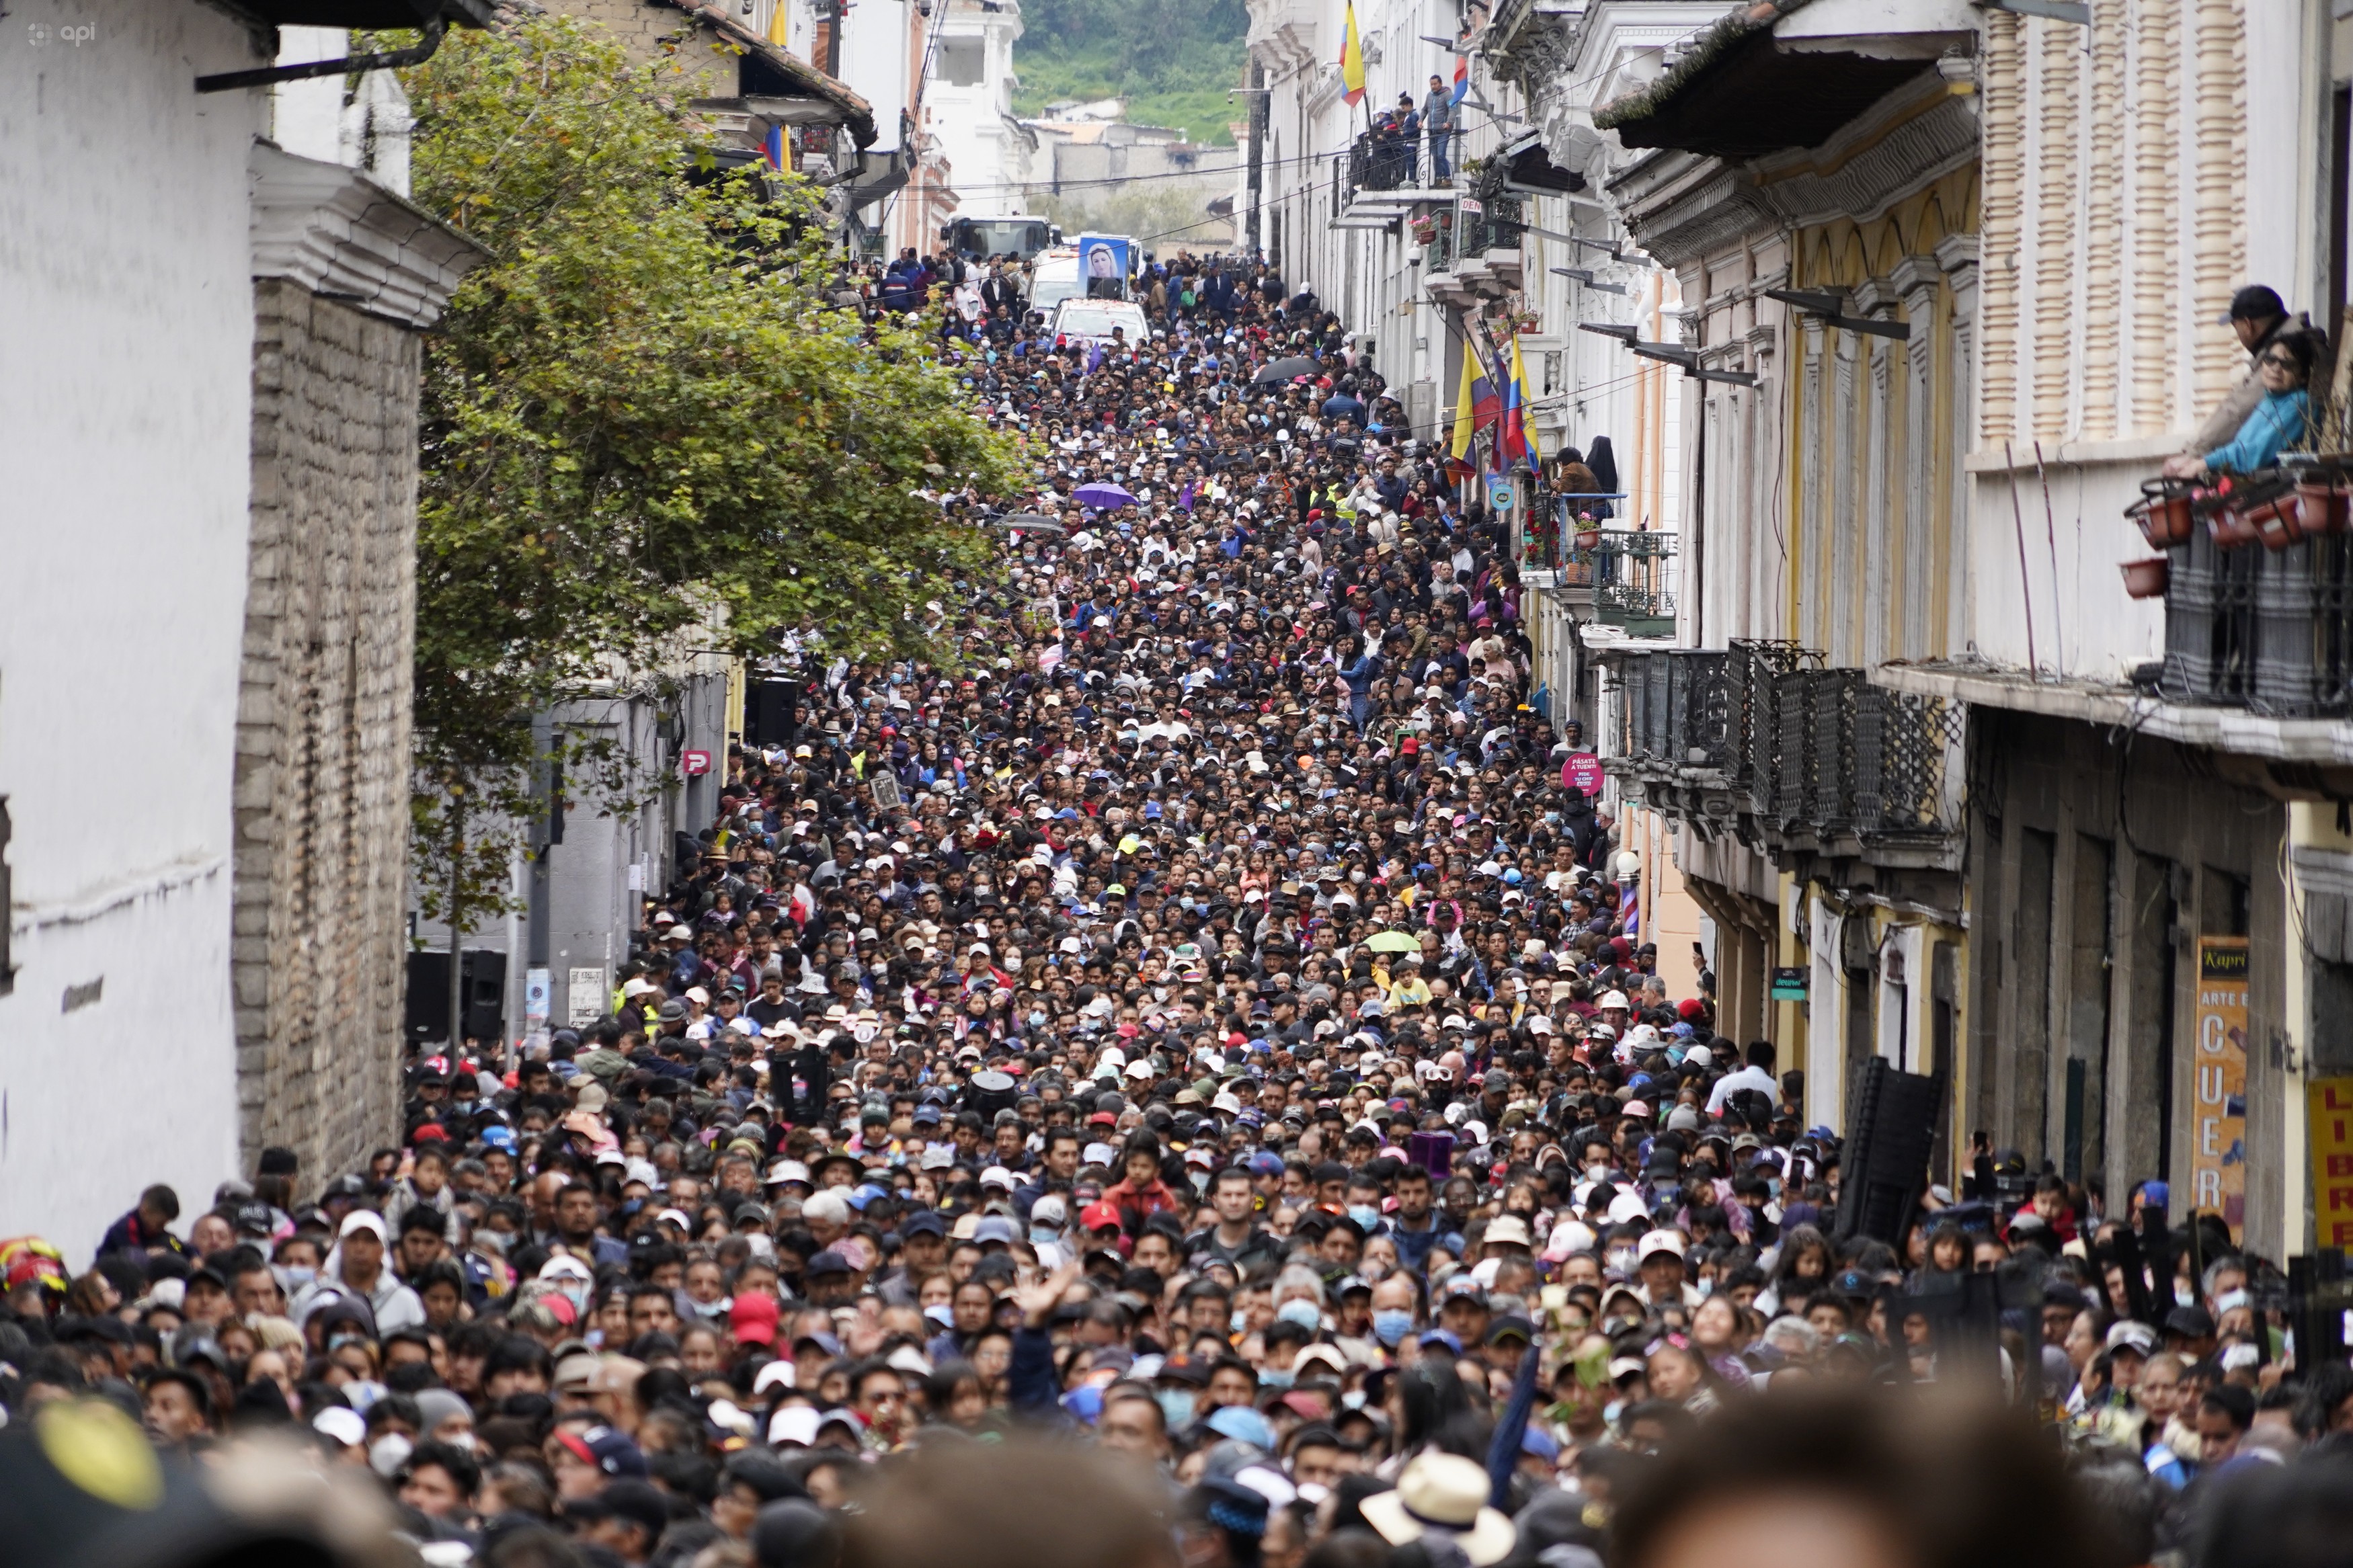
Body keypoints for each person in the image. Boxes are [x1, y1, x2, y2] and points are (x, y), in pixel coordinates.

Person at [1423, 74, 1455, 182]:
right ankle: (1437, 178)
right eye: (1431, 84)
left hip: (1443, 130)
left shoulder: (1447, 94)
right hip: (1432, 130)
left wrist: (1448, 123)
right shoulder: (1429, 96)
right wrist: (1420, 120)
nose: (1433, 86)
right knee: (1435, 155)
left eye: (1435, 84)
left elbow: (1452, 109)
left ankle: (1447, 178)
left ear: (1440, 84)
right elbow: (1425, 110)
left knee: (1441, 154)